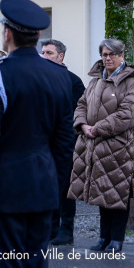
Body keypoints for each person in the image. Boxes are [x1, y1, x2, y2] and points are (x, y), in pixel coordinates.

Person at [0, 0, 74, 268]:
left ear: (7, 34)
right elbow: (65, 143)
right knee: (36, 267)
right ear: (38, 35)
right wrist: (57, 190)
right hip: (44, 188)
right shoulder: (59, 75)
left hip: (7, 191)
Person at [68, 38, 134, 253]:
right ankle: (103, 238)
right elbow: (81, 104)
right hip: (93, 145)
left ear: (122, 55)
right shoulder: (95, 81)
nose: (108, 58)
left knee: (117, 195)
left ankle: (116, 241)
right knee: (102, 193)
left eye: (112, 54)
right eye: (104, 54)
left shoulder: (132, 82)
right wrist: (82, 124)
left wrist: (98, 127)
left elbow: (128, 114)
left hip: (120, 147)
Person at [40, 39, 86, 245]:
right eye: (42, 52)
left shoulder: (73, 81)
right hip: (41, 143)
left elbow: (76, 114)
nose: (44, 56)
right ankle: (50, 228)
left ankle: (66, 230)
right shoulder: (38, 80)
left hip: (65, 144)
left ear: (61, 56)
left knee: (64, 188)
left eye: (49, 53)